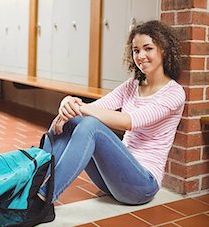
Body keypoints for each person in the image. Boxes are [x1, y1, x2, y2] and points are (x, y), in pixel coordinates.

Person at [38, 20, 186, 206]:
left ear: (163, 50)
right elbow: (98, 107)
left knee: (90, 125)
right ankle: (33, 181)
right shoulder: (132, 86)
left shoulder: (174, 93)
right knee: (74, 122)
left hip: (141, 185)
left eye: (148, 49)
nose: (141, 56)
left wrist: (78, 106)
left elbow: (129, 121)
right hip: (113, 181)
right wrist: (68, 103)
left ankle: (43, 199)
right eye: (136, 50)